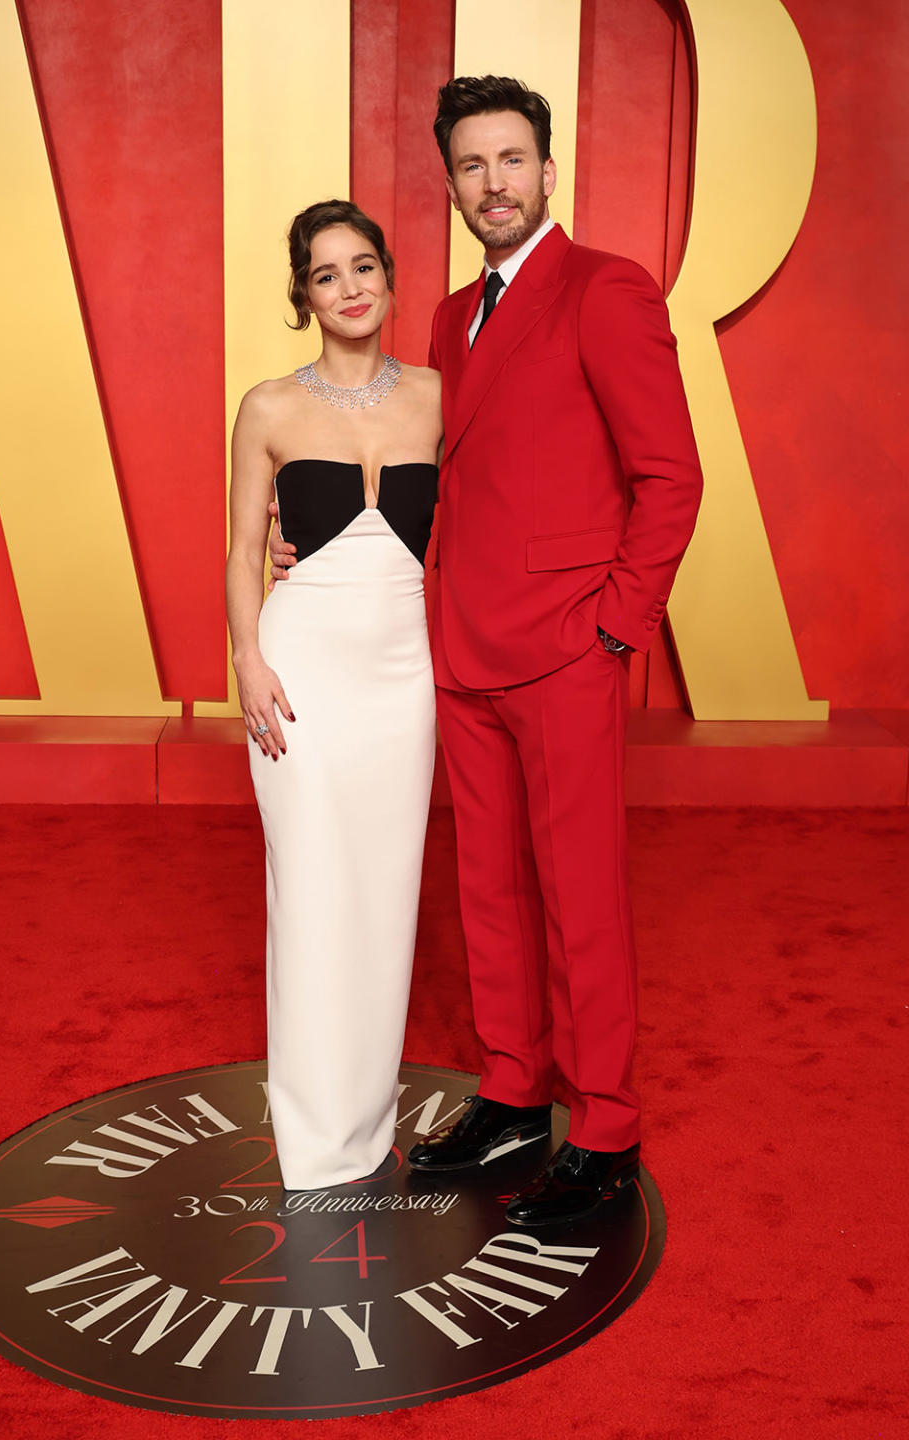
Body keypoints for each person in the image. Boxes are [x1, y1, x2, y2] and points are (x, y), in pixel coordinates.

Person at [271, 77, 703, 1226]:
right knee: (490, 892)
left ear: (548, 172)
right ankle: (514, 1087)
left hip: (566, 646)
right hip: (454, 643)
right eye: (472, 166)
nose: (494, 183)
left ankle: (604, 1125)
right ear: (454, 186)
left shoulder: (606, 289)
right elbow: (443, 478)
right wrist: (305, 539)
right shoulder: (450, 319)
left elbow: (671, 477)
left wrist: (617, 624)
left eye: (512, 160)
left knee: (582, 895)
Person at [227, 199, 441, 1190]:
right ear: (301, 294)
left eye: (363, 267)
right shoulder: (268, 406)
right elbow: (241, 547)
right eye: (326, 273)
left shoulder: (441, 396)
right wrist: (247, 660)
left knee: (387, 893)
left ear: (390, 279)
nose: (350, 287)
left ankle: (366, 1123)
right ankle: (313, 1139)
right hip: (300, 666)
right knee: (310, 890)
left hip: (404, 671)